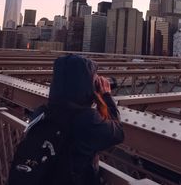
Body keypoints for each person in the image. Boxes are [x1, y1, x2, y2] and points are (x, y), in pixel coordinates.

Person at [46, 54, 124, 184]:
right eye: (93, 79)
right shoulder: (86, 119)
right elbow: (118, 133)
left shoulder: (42, 112)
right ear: (84, 85)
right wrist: (106, 96)